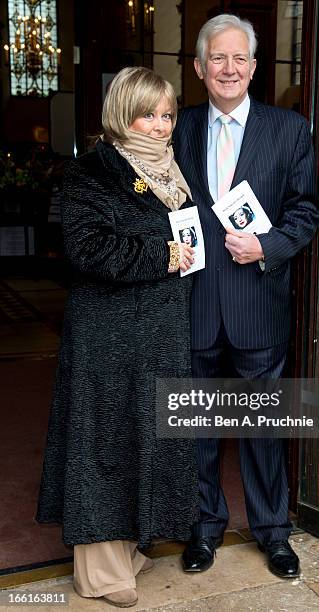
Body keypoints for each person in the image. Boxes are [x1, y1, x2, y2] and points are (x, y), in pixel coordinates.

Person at [36, 67, 199, 608]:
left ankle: (127, 548)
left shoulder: (173, 169)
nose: (159, 126)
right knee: (105, 443)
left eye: (167, 115)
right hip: (109, 336)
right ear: (121, 114)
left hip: (157, 331)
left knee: (146, 439)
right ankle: (100, 574)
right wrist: (163, 255)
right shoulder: (91, 171)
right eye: (147, 114)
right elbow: (85, 250)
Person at [173, 14, 319, 578]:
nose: (228, 68)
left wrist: (268, 246)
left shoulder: (289, 129)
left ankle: (273, 532)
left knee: (261, 428)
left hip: (259, 302)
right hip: (193, 306)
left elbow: (305, 211)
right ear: (199, 68)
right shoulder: (176, 129)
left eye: (239, 59)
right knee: (199, 430)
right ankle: (204, 528)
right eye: (218, 58)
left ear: (255, 67)